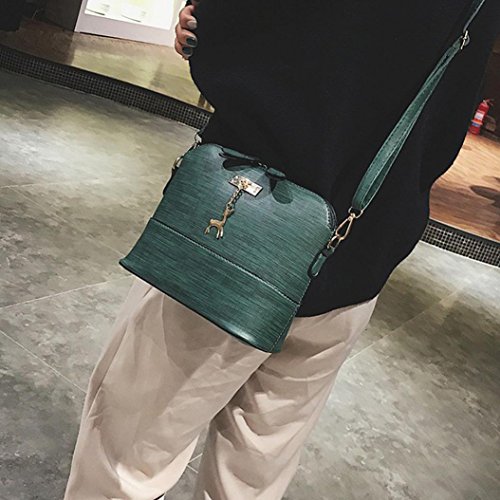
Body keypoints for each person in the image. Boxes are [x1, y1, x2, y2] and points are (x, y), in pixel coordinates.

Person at [64, 1, 500, 499]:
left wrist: (207, 30)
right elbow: (447, 120)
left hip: (244, 225)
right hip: (363, 243)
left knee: (128, 450)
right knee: (253, 468)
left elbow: (245, 37)